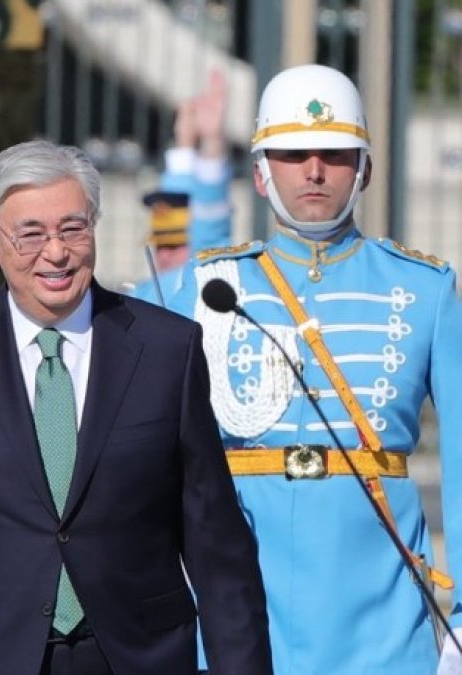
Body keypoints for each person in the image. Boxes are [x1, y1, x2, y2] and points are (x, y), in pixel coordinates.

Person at [0, 139, 272, 675]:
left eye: (72, 229)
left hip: (135, 655)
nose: (56, 252)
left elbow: (215, 540)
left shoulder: (166, 350)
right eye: (31, 234)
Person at [169, 63, 462, 674]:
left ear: (365, 169)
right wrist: (193, 162)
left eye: (335, 153)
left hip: (380, 609)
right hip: (240, 596)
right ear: (260, 173)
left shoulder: (424, 288)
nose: (314, 170)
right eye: (292, 154)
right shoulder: (210, 285)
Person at [127, 70, 233, 306]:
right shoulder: (140, 295)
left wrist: (211, 142)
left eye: (176, 246)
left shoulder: (201, 279)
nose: (164, 255)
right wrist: (184, 143)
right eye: (161, 245)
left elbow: (209, 232)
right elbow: (177, 199)